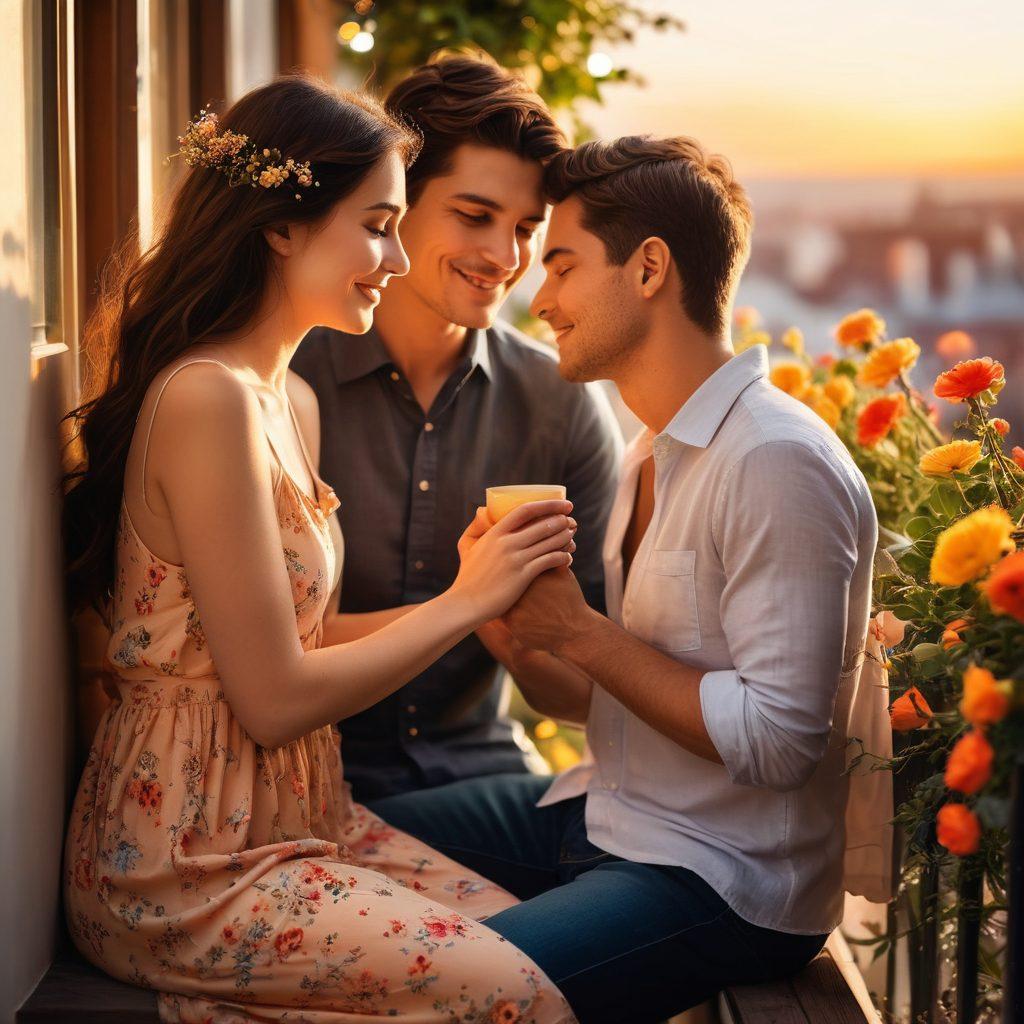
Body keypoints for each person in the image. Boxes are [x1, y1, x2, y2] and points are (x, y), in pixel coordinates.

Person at [61, 75, 578, 1024]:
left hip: (301, 821)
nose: (394, 255)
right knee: (516, 995)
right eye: (378, 223)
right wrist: (464, 599)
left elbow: (301, 634)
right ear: (282, 226)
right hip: (183, 858)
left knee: (528, 947)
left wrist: (492, 596)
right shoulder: (206, 397)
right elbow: (271, 697)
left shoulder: (286, 396)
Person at [367, 136, 881, 1024]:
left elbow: (781, 742)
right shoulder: (653, 448)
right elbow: (604, 700)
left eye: (561, 265)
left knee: (455, 993)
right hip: (606, 813)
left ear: (649, 269)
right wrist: (509, 626)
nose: (541, 296)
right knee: (337, 842)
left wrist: (579, 630)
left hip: (718, 878)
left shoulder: (774, 461)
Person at [291, 55, 621, 801]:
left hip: (485, 779)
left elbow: (585, 689)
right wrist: (468, 606)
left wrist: (529, 644)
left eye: (527, 228)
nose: (505, 258)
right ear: (395, 201)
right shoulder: (290, 380)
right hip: (305, 780)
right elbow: (262, 657)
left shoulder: (561, 402)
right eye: (475, 215)